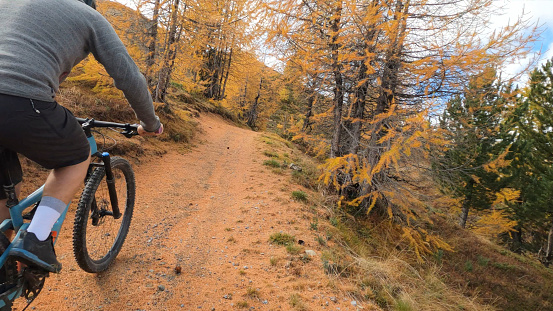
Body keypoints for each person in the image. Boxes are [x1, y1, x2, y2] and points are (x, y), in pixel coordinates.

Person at [0, 0, 163, 273]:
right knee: (77, 156)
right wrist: (150, 122)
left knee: (6, 188)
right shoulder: (88, 16)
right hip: (21, 99)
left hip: (19, 105)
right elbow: (128, 76)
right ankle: (37, 237)